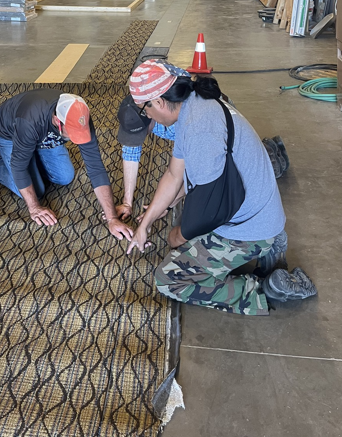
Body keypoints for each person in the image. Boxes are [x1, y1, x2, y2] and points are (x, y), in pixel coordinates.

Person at [125, 60, 317, 315]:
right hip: (251, 204)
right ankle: (269, 247)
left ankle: (264, 289)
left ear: (158, 102)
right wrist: (144, 225)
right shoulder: (194, 103)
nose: (146, 115)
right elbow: (174, 175)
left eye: (144, 109)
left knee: (170, 277)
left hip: (249, 223)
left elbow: (207, 211)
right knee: (179, 227)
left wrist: (179, 237)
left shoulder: (199, 130)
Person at [116, 66, 289, 221]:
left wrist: (166, 205)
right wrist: (127, 202)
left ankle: (272, 152)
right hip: (199, 129)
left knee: (242, 169)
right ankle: (267, 147)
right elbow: (131, 152)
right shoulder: (142, 104)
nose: (140, 138)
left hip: (220, 120)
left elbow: (190, 175)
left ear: (155, 109)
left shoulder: (186, 119)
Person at [0, 89, 133, 241]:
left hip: (39, 136)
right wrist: (34, 207)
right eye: (71, 133)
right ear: (57, 121)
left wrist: (112, 218)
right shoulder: (29, 120)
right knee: (35, 192)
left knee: (65, 177)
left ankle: (29, 153)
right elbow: (19, 167)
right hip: (10, 133)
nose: (75, 138)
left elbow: (96, 168)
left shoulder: (80, 116)